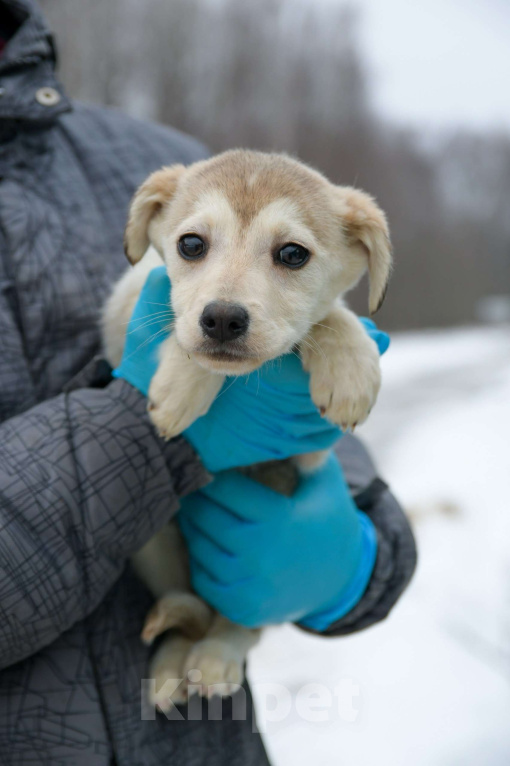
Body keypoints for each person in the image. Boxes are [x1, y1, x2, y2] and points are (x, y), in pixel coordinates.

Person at [0, 1, 417, 764]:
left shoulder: (166, 157)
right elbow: (138, 305)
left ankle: (219, 627)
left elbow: (323, 425)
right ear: (153, 227)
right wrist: (142, 431)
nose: (227, 301)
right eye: (193, 247)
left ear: (366, 256)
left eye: (286, 254)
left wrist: (358, 561)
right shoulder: (166, 186)